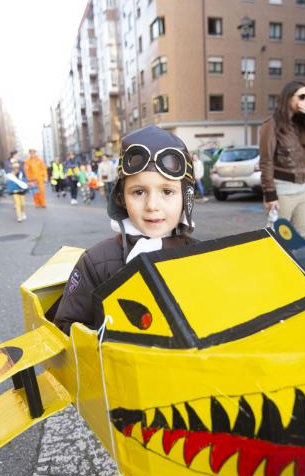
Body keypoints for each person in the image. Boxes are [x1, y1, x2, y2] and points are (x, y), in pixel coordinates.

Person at [53, 126, 198, 335]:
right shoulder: (95, 263)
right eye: (138, 192)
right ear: (121, 197)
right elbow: (66, 327)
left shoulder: (200, 255)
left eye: (167, 191)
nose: (152, 205)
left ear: (187, 198)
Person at [259, 81, 305, 237]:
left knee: (301, 235)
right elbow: (266, 161)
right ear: (288, 97)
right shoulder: (272, 124)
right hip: (282, 190)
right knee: (278, 238)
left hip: (303, 188)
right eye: (301, 96)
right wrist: (270, 194)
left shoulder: (303, 123)